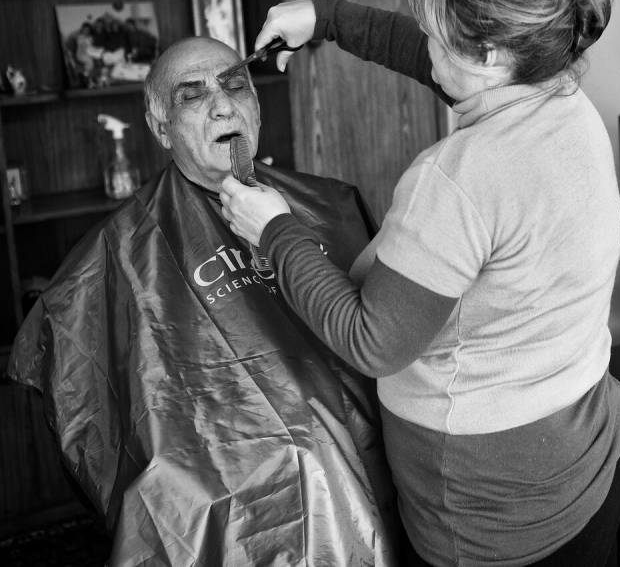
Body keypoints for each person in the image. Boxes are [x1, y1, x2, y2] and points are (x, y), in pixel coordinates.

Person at [220, 0, 620, 567]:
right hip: (587, 462)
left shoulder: (459, 177)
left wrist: (274, 230)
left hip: (492, 521)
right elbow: (437, 62)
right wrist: (326, 17)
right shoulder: (562, 99)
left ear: (490, 52)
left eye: (437, 34)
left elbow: (372, 340)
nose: (427, 49)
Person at [6, 36, 402, 565]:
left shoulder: (332, 202)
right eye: (192, 95)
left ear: (256, 106)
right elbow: (93, 395)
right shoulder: (119, 251)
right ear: (161, 127)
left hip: (367, 452)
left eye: (236, 85)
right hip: (227, 491)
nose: (222, 104)